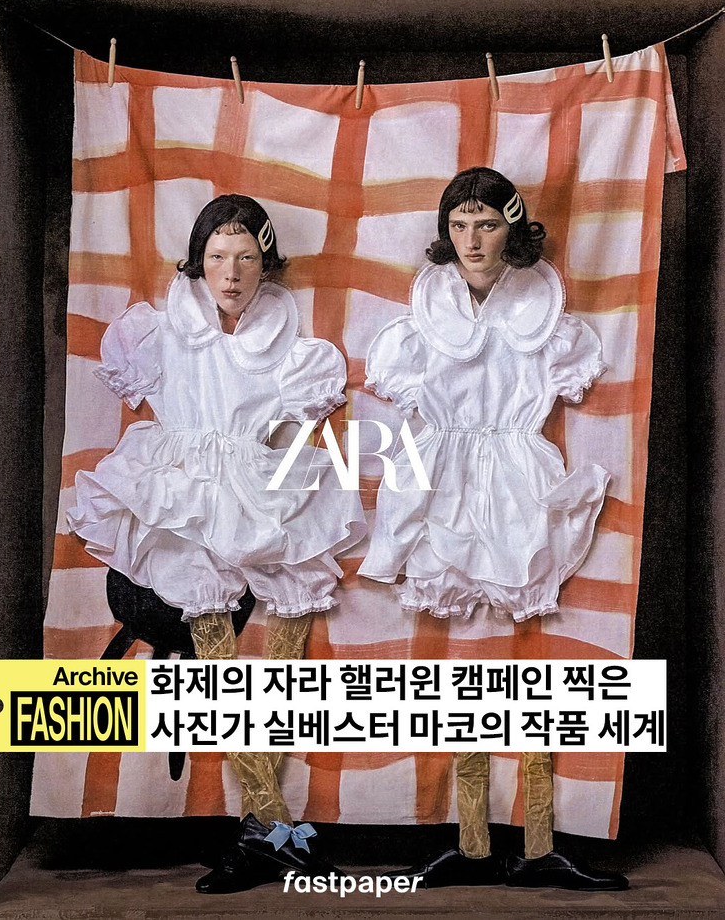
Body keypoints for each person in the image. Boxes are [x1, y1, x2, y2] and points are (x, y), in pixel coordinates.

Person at [67, 194, 366, 894]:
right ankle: (272, 828)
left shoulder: (294, 349)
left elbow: (290, 421)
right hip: (186, 490)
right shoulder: (156, 333)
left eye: (247, 258)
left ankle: (265, 830)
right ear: (198, 261)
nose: (231, 273)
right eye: (218, 256)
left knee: (289, 647)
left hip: (263, 487)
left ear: (267, 264)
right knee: (219, 665)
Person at [359, 167, 628, 890]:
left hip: (520, 487)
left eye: (486, 224)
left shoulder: (546, 319)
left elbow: (574, 386)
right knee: (464, 663)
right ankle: (472, 841)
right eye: (459, 225)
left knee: (536, 658)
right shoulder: (421, 323)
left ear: (513, 228)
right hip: (442, 489)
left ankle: (539, 841)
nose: (472, 240)